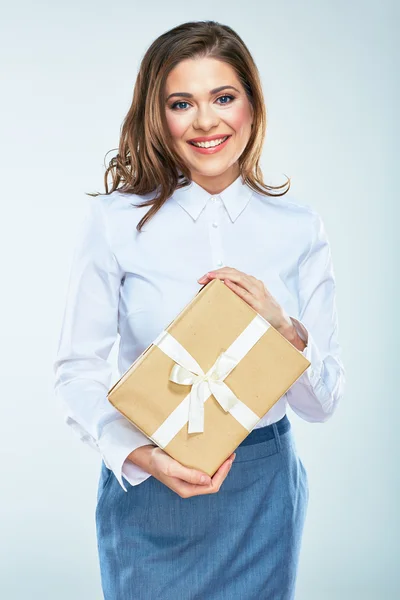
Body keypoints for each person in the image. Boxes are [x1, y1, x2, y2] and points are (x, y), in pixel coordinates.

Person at [53, 20, 345, 600]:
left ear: (252, 108)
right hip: (148, 484)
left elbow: (323, 404)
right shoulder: (114, 223)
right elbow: (75, 374)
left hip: (261, 487)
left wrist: (284, 331)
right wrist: (144, 458)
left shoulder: (299, 229)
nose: (205, 121)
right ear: (156, 116)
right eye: (181, 102)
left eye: (224, 97)